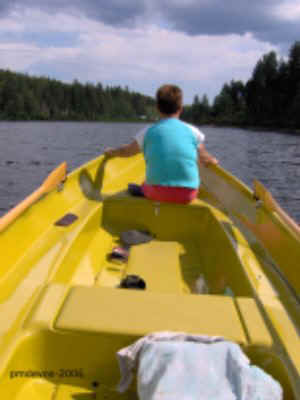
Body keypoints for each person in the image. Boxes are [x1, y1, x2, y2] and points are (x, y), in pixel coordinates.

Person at [105, 84, 218, 204]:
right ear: (180, 108)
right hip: (188, 195)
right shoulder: (193, 131)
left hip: (156, 194)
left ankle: (141, 190)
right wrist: (212, 160)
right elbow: (205, 157)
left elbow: (126, 151)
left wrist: (111, 151)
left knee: (144, 184)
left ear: (157, 108)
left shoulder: (148, 131)